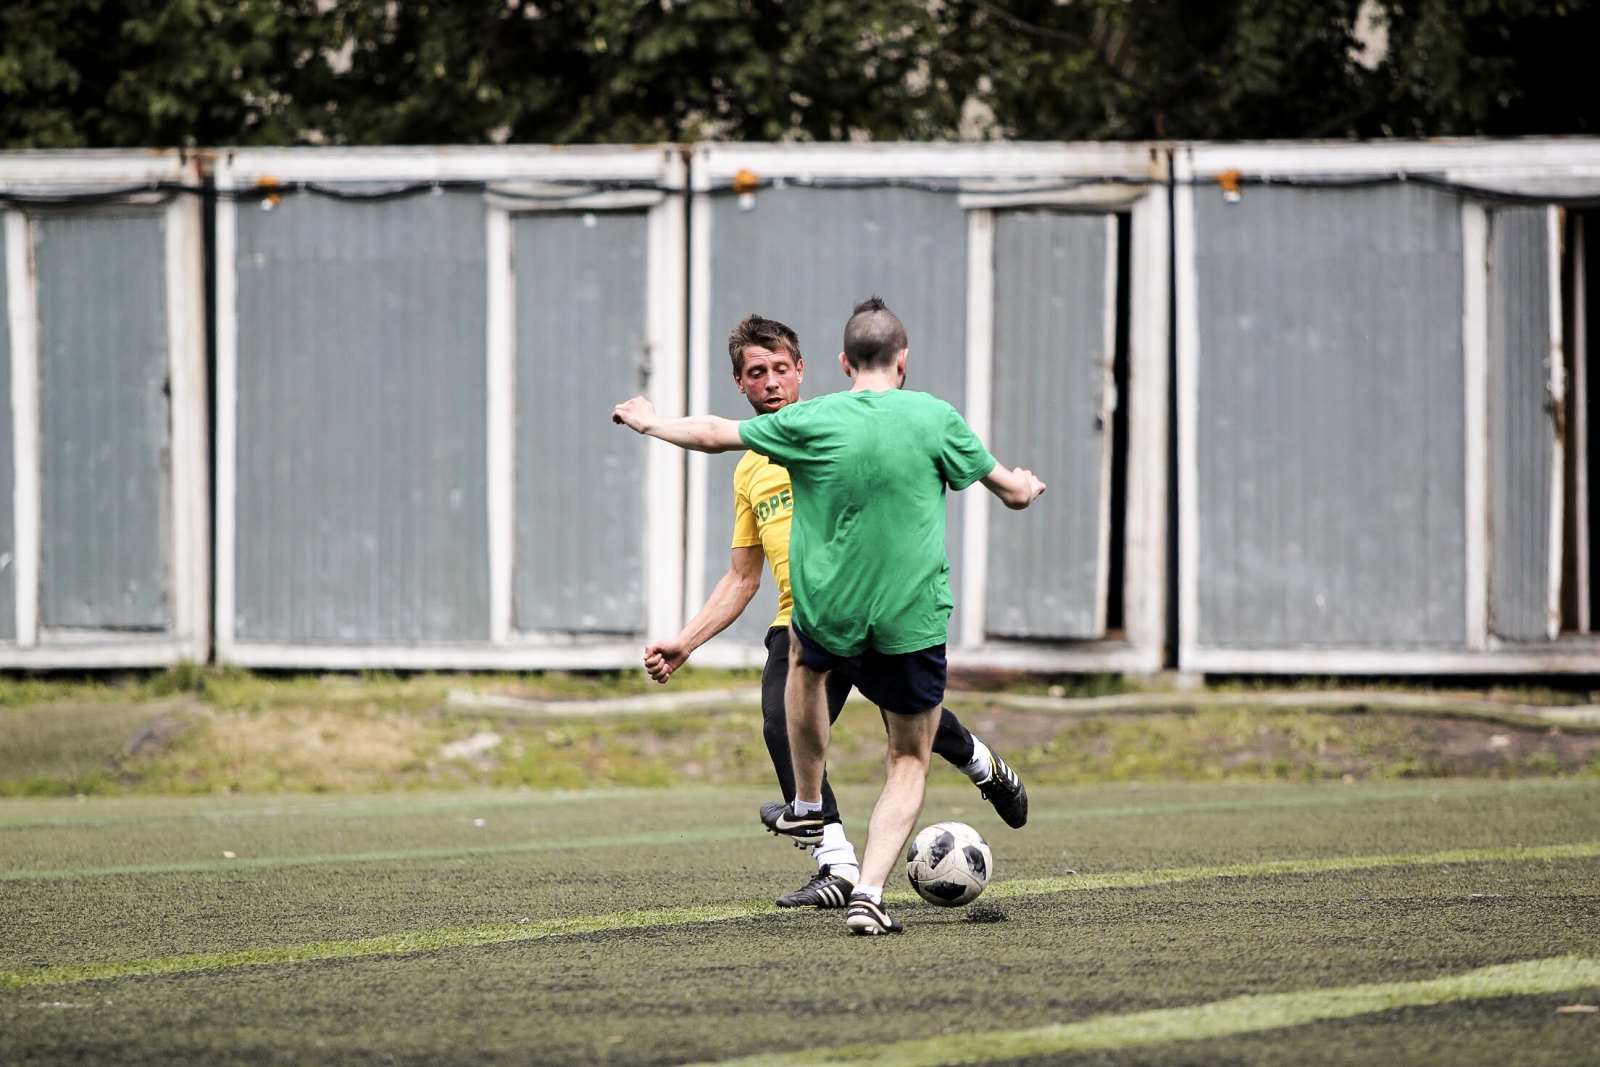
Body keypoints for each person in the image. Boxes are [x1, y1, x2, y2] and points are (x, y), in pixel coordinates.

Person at [613, 297, 1045, 935]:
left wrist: (651, 421)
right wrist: (687, 640)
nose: (769, 383)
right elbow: (741, 575)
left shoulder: (810, 423)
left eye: (778, 369)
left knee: (860, 700)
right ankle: (845, 871)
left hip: (837, 611)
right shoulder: (924, 418)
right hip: (873, 613)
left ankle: (947, 771)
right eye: (755, 374)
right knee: (843, 728)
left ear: (828, 364)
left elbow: (707, 431)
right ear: (903, 360)